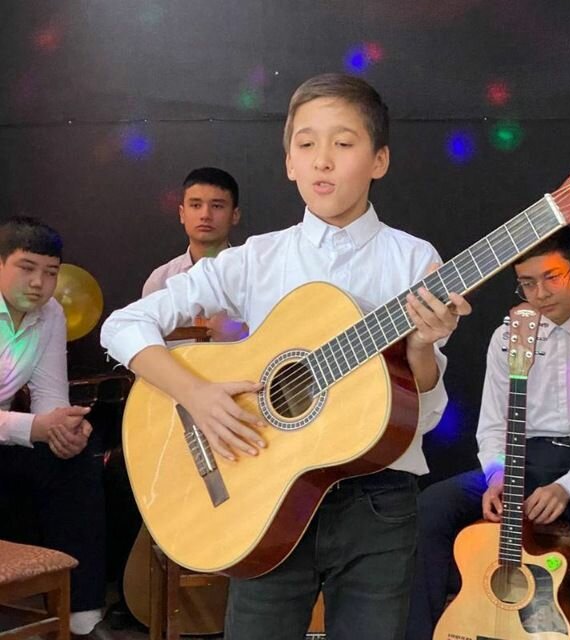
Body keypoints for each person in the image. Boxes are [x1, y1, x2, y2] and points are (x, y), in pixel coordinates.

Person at [101, 72, 470, 640]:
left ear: (379, 160)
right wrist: (196, 395)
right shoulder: (256, 259)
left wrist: (420, 347)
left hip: (377, 501)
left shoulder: (414, 261)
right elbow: (122, 325)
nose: (323, 159)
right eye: (306, 143)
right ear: (289, 163)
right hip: (263, 492)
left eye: (343, 143)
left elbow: (421, 413)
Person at [405, 227, 570, 640]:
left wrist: (565, 487)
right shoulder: (505, 338)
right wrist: (497, 475)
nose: (540, 293)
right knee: (434, 504)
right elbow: (494, 425)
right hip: (520, 459)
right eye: (527, 283)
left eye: (552, 277)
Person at [0, 216, 106, 636]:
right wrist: (36, 428)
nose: (39, 283)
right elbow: (35, 423)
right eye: (26, 268)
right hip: (10, 431)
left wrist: (65, 429)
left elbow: (50, 396)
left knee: (78, 457)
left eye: (50, 272)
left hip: (6, 436)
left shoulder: (51, 313)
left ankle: (83, 612)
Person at [143, 166, 246, 341]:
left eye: (217, 206)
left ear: (234, 215)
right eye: (196, 205)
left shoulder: (254, 276)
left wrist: (243, 332)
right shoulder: (160, 281)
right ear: (182, 214)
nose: (205, 215)